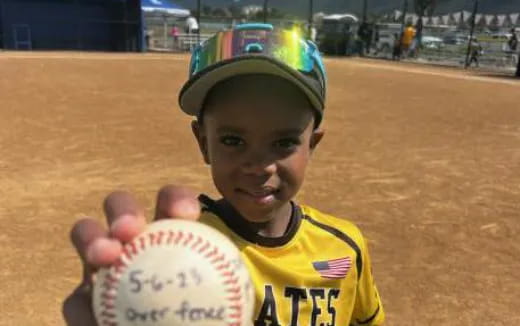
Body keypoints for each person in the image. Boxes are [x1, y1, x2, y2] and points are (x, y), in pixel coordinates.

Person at [62, 24, 385, 326]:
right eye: (233, 141)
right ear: (204, 143)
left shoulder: (343, 247)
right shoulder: (170, 261)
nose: (259, 166)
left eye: (284, 142)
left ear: (311, 146)